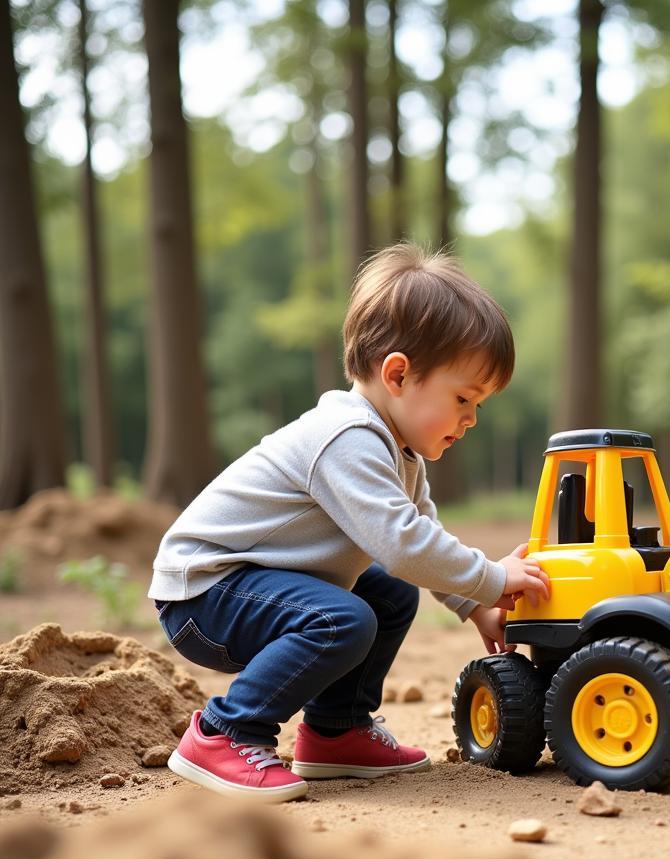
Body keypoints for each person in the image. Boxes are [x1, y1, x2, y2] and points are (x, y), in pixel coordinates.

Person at [149, 243, 551, 803]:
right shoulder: (348, 439)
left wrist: (474, 604)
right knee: (343, 619)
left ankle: (336, 731)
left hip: (253, 584)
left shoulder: (399, 450)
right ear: (399, 374)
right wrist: (492, 577)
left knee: (388, 596)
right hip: (206, 592)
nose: (471, 418)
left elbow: (418, 535)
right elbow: (403, 544)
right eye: (463, 397)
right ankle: (224, 733)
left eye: (478, 405)